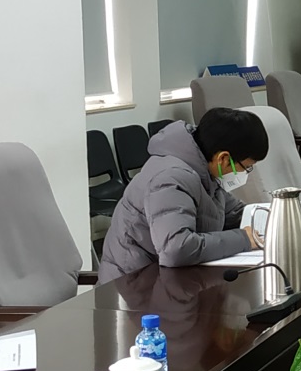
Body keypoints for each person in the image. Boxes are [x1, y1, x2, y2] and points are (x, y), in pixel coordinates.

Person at [98, 108, 270, 284]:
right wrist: (243, 239)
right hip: (132, 286)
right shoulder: (171, 179)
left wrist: (274, 219)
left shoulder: (203, 170)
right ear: (223, 158)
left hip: (164, 279)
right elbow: (176, 249)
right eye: (247, 167)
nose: (245, 172)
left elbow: (235, 212)